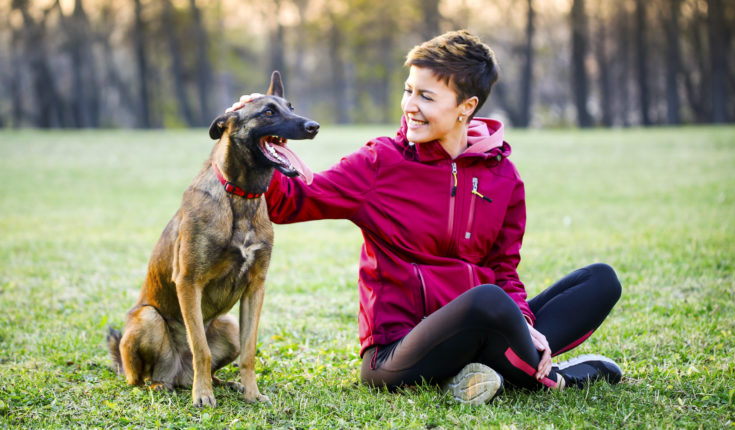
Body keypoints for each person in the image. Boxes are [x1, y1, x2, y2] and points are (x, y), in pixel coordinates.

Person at [228, 30, 622, 405]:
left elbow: (503, 268)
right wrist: (255, 137)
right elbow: (287, 203)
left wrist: (522, 321)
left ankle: (495, 366)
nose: (410, 106)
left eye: (426, 97)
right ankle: (558, 379)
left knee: (600, 280)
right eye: (408, 91)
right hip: (397, 353)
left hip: (483, 326)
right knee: (487, 300)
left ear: (466, 107)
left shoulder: (504, 178)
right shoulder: (381, 162)